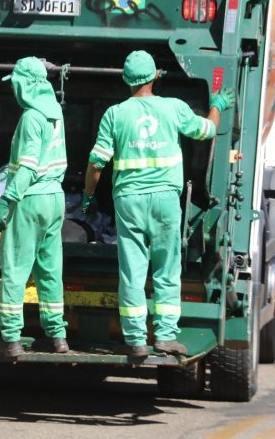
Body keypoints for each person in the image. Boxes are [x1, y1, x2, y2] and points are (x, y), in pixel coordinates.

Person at [83, 50, 233, 357]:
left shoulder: (115, 114)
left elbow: (97, 164)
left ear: (126, 80)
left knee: (132, 272)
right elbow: (206, 131)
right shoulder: (173, 108)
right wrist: (216, 106)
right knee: (166, 269)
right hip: (165, 200)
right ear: (155, 76)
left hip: (129, 201)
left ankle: (136, 340)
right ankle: (164, 336)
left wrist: (87, 197)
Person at [0, 57, 69, 357]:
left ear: (27, 84)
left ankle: (11, 338)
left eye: (16, 84)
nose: (14, 90)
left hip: (30, 199)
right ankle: (58, 335)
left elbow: (28, 167)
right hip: (55, 199)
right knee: (50, 271)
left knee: (15, 268)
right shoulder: (55, 113)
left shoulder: (31, 119)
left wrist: (6, 201)